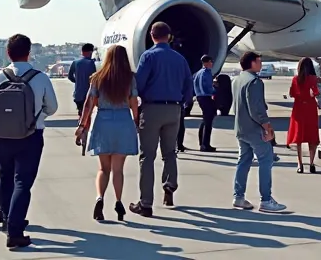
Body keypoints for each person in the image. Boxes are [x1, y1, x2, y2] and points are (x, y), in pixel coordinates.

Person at [0, 34, 58, 249]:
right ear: (29, 52)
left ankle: (6, 218)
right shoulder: (40, 77)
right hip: (30, 136)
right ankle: (15, 230)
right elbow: (52, 107)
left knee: (5, 176)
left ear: (8, 53)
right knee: (23, 182)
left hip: (1, 136)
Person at [129, 21, 193, 217]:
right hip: (173, 109)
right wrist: (182, 103)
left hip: (152, 108)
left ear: (151, 35)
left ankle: (146, 203)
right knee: (170, 152)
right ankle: (169, 187)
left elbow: (138, 83)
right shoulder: (179, 58)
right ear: (169, 36)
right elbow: (188, 86)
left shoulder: (148, 56)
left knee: (147, 156)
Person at [74, 44, 139, 222]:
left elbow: (88, 103)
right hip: (123, 121)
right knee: (118, 169)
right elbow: (133, 102)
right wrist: (136, 120)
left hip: (103, 121)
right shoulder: (129, 79)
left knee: (103, 168)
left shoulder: (97, 78)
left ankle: (99, 198)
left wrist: (82, 125)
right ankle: (118, 201)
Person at [231, 51, 286, 212]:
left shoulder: (237, 80)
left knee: (243, 161)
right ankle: (266, 200)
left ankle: (238, 196)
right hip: (255, 129)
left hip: (241, 128)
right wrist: (267, 126)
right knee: (266, 160)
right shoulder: (255, 82)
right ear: (252, 63)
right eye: (259, 61)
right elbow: (256, 109)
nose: (261, 64)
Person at [286, 57, 320, 173]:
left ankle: (300, 164)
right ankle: (311, 163)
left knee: (298, 137)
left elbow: (292, 93)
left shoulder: (296, 79)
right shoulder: (313, 78)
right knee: (312, 137)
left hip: (299, 107)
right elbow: (316, 92)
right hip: (310, 108)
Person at [194, 55, 218, 152]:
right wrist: (214, 90)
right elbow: (206, 87)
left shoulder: (199, 73)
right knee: (208, 122)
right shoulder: (206, 73)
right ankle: (205, 144)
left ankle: (202, 143)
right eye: (211, 61)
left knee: (205, 120)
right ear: (207, 62)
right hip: (206, 97)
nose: (212, 63)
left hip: (200, 97)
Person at [67, 43, 98, 117]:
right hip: (90, 94)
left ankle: (81, 125)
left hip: (78, 94)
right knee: (88, 115)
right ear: (90, 52)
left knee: (81, 114)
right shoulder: (92, 63)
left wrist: (77, 81)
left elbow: (70, 76)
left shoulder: (75, 63)